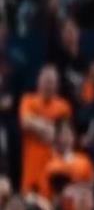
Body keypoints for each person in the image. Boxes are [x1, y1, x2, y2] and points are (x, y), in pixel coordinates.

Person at [19, 65, 72, 193]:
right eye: (46, 81)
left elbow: (60, 135)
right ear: (38, 81)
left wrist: (36, 124)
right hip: (32, 169)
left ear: (57, 85)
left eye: (52, 82)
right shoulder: (28, 100)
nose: (48, 85)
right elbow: (25, 122)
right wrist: (49, 126)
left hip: (55, 168)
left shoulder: (63, 106)